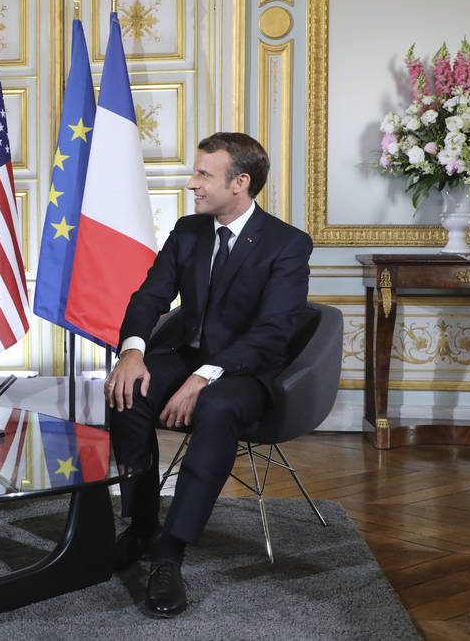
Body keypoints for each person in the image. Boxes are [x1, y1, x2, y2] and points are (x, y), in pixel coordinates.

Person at [104, 132, 313, 616]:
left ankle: (169, 552)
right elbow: (149, 297)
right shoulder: (188, 230)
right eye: (195, 172)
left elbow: (274, 332)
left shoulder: (287, 244)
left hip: (248, 368)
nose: (191, 182)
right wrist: (132, 352)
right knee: (127, 392)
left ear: (240, 182)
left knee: (216, 407)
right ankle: (140, 524)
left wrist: (203, 379)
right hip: (188, 351)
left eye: (203, 174)